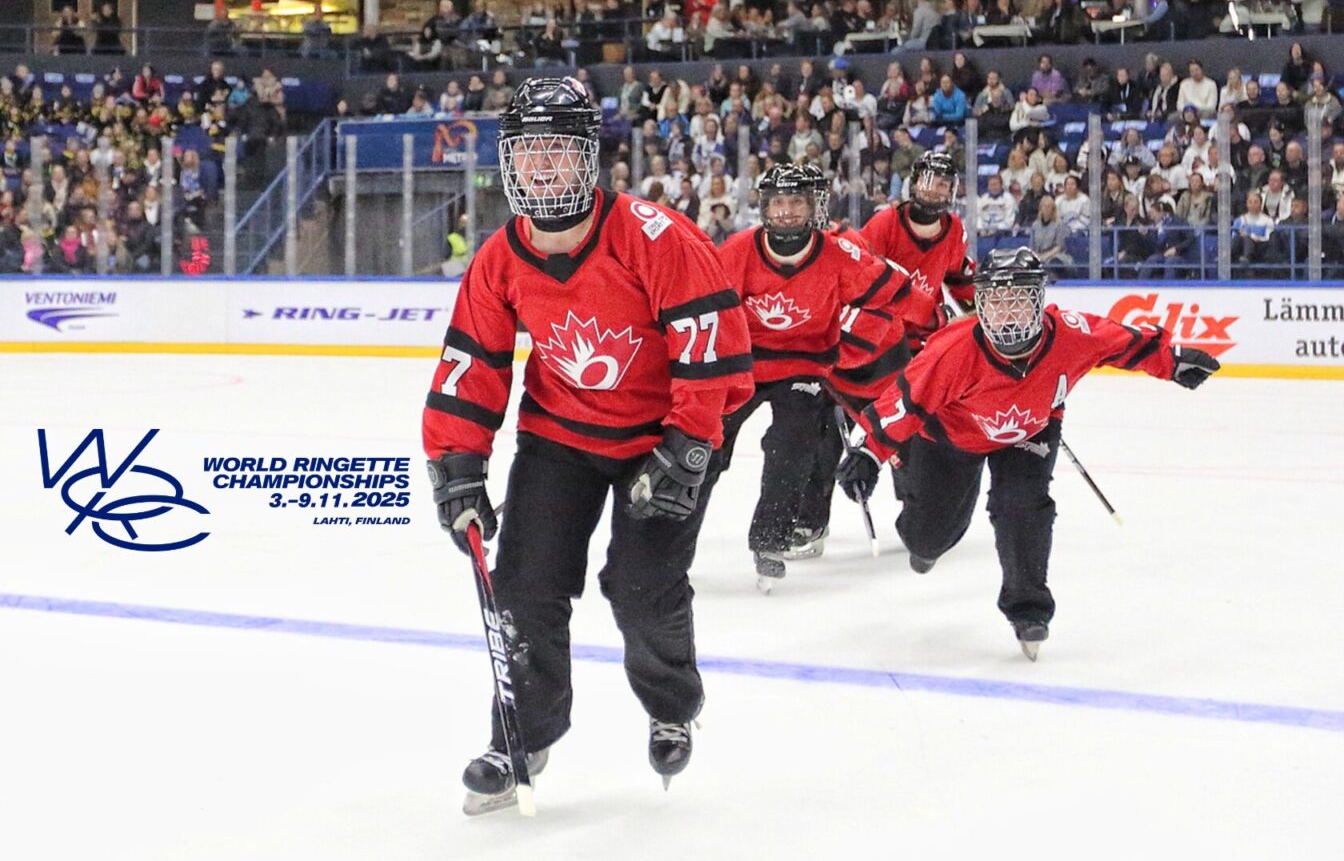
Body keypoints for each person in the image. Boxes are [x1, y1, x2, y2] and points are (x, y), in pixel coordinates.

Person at [421, 77, 754, 814]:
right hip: (560, 437)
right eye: (528, 152)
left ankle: (672, 705)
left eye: (558, 152)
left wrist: (690, 447)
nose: (542, 168)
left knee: (639, 585)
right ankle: (522, 736)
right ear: (510, 162)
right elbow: (471, 364)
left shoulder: (655, 237)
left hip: (662, 439)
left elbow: (713, 350)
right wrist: (458, 464)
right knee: (523, 586)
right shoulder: (499, 259)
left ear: (589, 159)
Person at [835, 247, 1220, 659]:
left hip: (1029, 431)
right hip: (952, 438)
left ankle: (1028, 609)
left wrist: (1172, 361)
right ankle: (927, 544)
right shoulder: (953, 349)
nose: (1007, 313)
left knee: (1023, 506)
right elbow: (905, 401)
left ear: (1038, 301)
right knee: (927, 536)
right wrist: (868, 452)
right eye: (996, 302)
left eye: (1018, 299)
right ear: (981, 304)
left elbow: (1123, 343)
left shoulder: (1069, 333)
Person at [712, 164, 909, 588]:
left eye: (798, 201)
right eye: (779, 203)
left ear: (816, 204)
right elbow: (710, 308)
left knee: (803, 439)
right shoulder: (741, 249)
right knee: (706, 437)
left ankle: (787, 531)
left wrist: (848, 350)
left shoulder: (844, 247)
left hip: (819, 364)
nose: (787, 212)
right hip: (749, 363)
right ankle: (671, 533)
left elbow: (887, 298)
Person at [860, 150, 974, 354]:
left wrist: (980, 309)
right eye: (927, 180)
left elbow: (959, 280)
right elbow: (860, 279)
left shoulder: (954, 229)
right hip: (881, 336)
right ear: (913, 184)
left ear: (952, 191)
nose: (933, 189)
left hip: (926, 334)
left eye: (942, 184)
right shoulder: (885, 223)